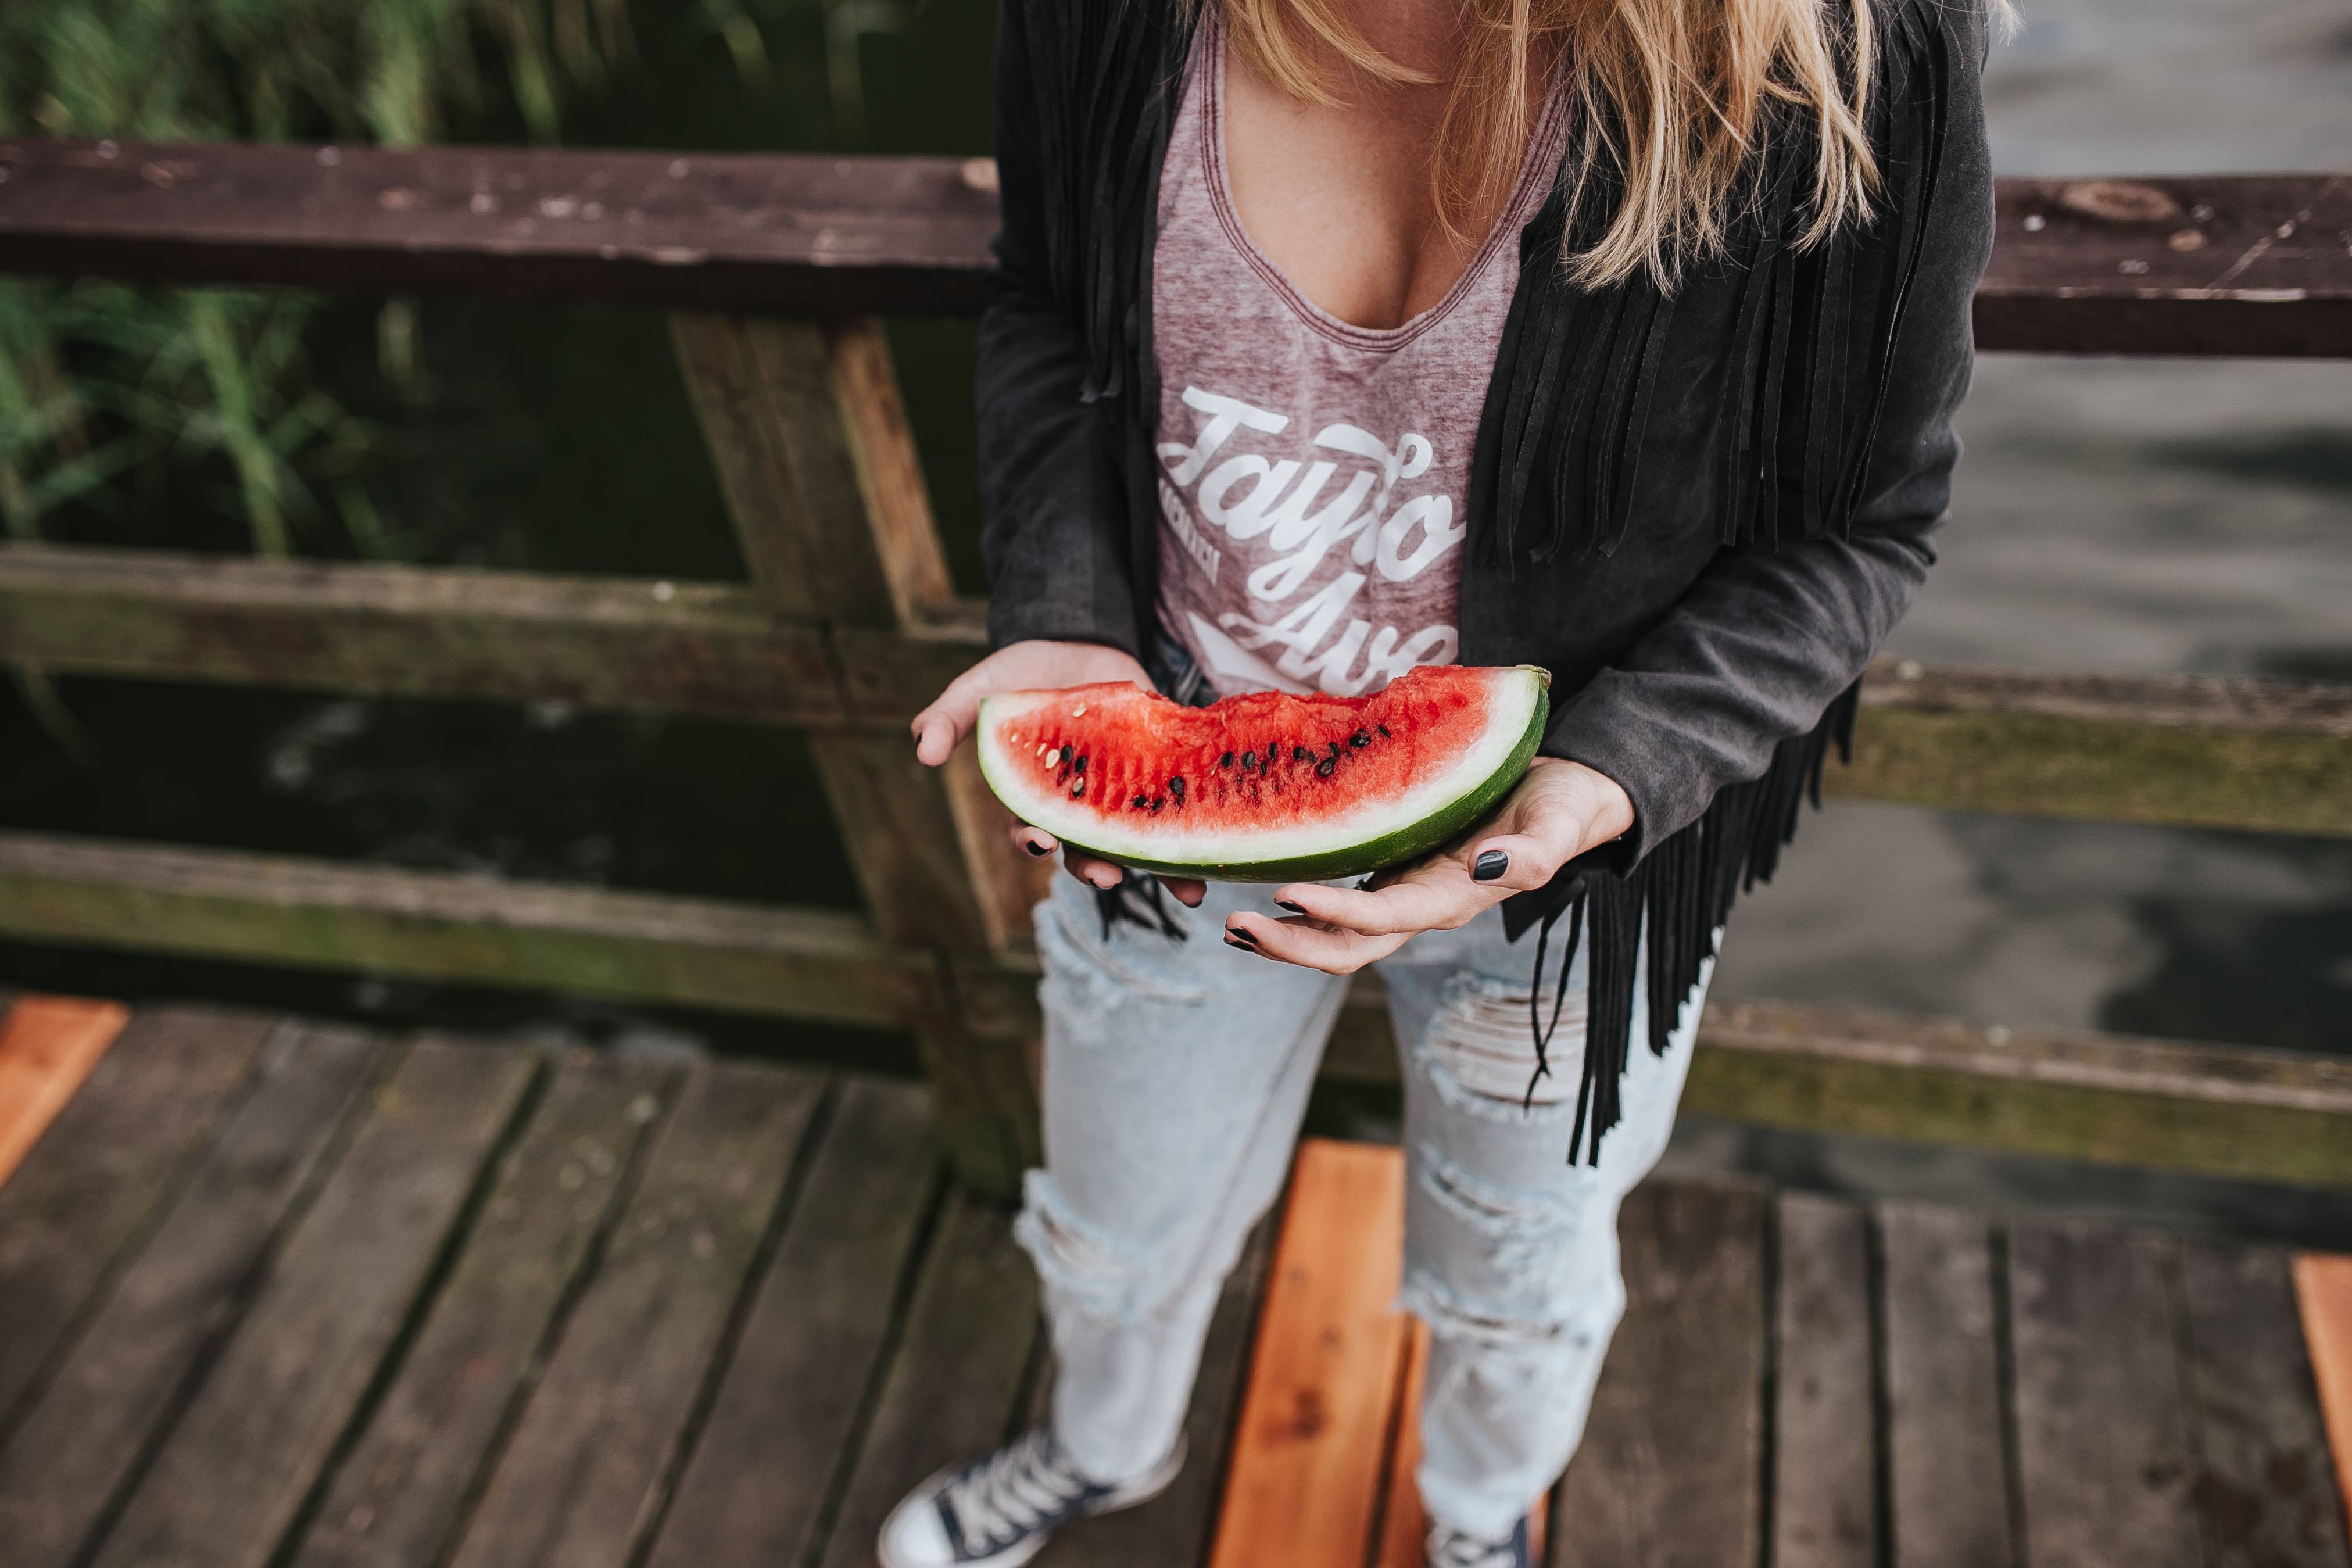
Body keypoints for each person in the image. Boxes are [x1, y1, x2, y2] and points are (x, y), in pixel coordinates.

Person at [880, 0, 1995, 1560]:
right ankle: (1103, 1443)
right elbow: (1048, 315)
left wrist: (1610, 776)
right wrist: (1067, 612)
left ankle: (1481, 1516)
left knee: (1522, 1266)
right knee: (1117, 1229)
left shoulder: (1858, 49)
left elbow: (1862, 528)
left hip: (1570, 864)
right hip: (1169, 809)